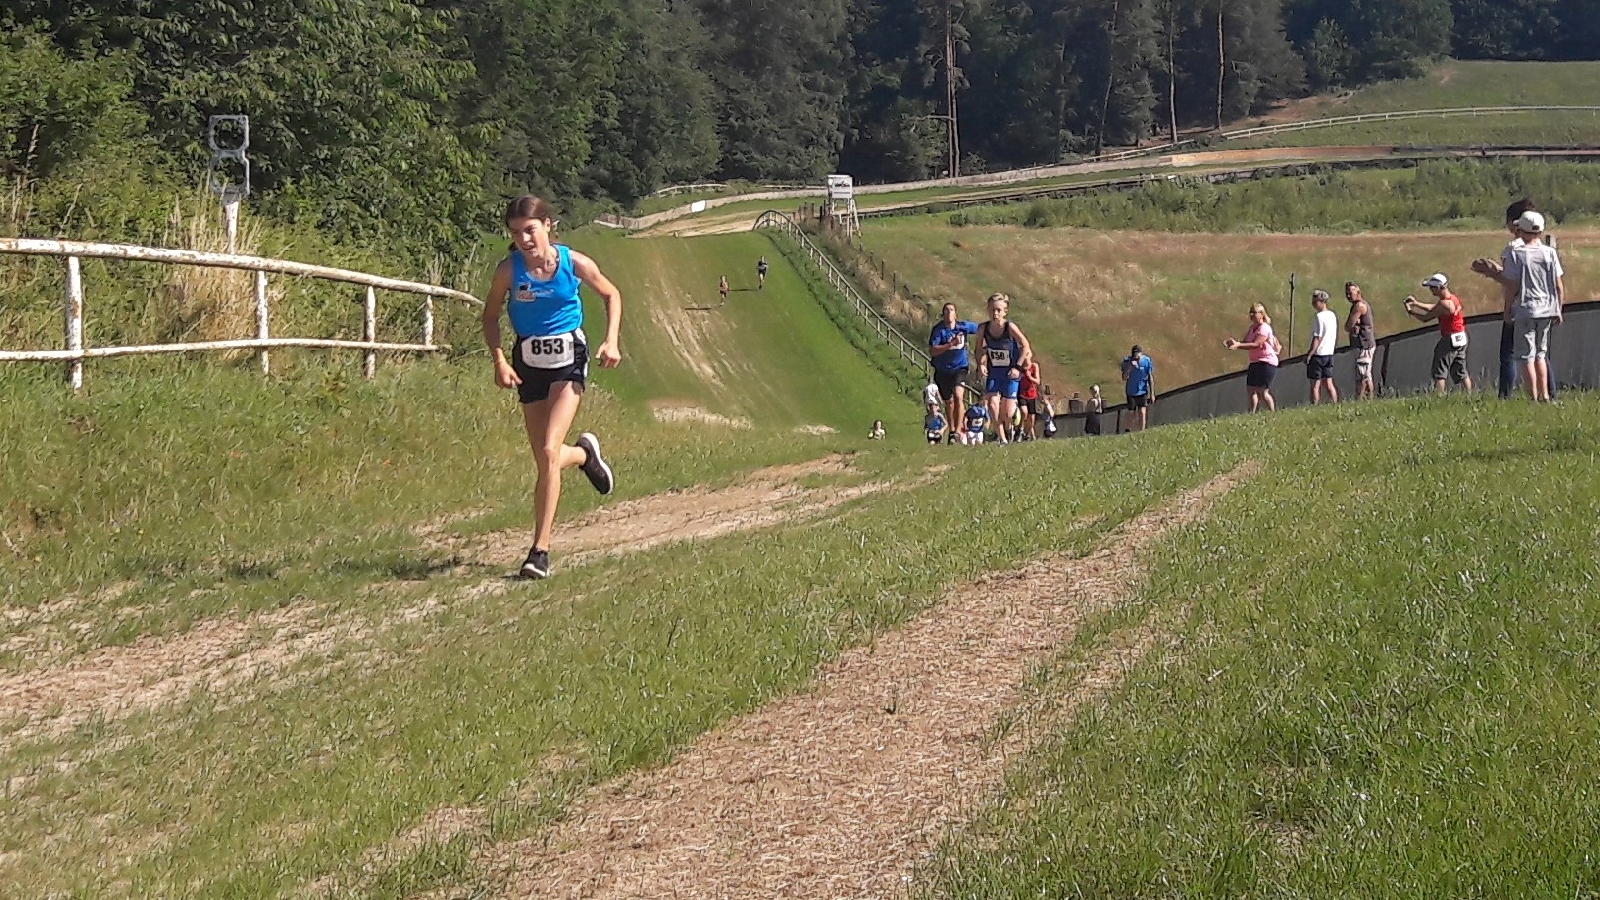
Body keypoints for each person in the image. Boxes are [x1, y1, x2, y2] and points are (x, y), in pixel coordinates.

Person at [483, 195, 621, 580]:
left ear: (548, 225)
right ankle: (582, 455)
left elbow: (612, 294)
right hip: (528, 363)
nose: (524, 239)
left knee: (547, 450)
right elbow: (491, 315)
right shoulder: (508, 271)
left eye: (530, 229)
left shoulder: (573, 263)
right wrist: (499, 360)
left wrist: (611, 340)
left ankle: (539, 552)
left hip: (569, 358)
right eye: (515, 232)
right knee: (546, 460)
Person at [1473, 199, 1559, 400]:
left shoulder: (1514, 248)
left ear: (1517, 223)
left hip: (1520, 306)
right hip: (1544, 306)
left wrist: (1490, 272)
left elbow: (1513, 282)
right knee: (1540, 354)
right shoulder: (1545, 249)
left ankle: (1509, 395)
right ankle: (1549, 393)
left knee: (1512, 355)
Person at [1498, 211, 1565, 401]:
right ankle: (1545, 395)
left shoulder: (1516, 254)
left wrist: (1507, 308)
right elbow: (1558, 285)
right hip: (1547, 308)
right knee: (1541, 354)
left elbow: (1512, 286)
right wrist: (1558, 309)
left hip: (1525, 308)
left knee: (1525, 355)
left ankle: (1533, 397)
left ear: (1522, 229)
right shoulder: (1550, 253)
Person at [976, 292, 1034, 445]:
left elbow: (1026, 345)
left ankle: (1011, 424)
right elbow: (978, 349)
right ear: (988, 310)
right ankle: (1002, 439)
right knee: (992, 405)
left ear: (1005, 311)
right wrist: (980, 364)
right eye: (992, 310)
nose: (995, 313)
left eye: (999, 310)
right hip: (994, 373)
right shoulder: (983, 329)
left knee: (1007, 413)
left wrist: (1018, 367)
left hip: (1010, 374)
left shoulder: (1010, 327)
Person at [1404, 273, 1472, 395]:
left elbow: (1426, 318)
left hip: (1449, 339)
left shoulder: (1444, 304)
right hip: (1461, 336)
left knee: (1440, 370)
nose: (1431, 290)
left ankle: (1439, 396)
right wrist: (1416, 303)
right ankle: (1470, 395)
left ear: (1440, 287)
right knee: (1461, 369)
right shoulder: (1453, 299)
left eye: (1432, 287)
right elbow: (1435, 308)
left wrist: (1411, 311)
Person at [928, 303, 980, 444]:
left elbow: (981, 329)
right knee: (949, 403)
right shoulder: (939, 331)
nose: (948, 313)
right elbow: (933, 350)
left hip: (960, 368)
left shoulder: (962, 327)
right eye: (945, 310)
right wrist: (950, 344)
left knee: (958, 397)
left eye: (951, 310)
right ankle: (951, 431)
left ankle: (957, 431)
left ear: (955, 314)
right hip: (942, 371)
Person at [1224, 303, 1279, 412]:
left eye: (1254, 313)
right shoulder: (1252, 328)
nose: (1252, 315)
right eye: (1251, 313)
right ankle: (1252, 413)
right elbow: (1246, 342)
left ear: (1261, 314)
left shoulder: (1265, 328)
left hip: (1267, 362)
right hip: (1255, 362)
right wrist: (1236, 343)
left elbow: (1256, 344)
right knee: (1251, 389)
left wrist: (1239, 345)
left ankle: (1273, 413)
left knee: (1262, 391)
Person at [1306, 290, 1340, 404]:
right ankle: (1335, 403)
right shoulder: (1332, 315)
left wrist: (1310, 354)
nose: (1313, 303)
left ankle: (1314, 404)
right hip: (1329, 353)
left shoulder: (1319, 317)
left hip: (1318, 354)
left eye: (1316, 301)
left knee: (1315, 384)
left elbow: (1317, 337)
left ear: (1322, 302)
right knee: (1328, 382)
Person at [1344, 281, 1375, 399]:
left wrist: (1352, 326)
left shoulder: (1359, 306)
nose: (1348, 296)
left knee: (1363, 375)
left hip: (1364, 344)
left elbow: (1348, 325)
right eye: (1346, 293)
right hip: (1362, 343)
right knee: (1365, 374)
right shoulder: (1357, 305)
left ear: (1358, 292)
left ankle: (1362, 398)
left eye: (1350, 293)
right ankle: (1366, 398)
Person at [1119, 344, 1154, 431]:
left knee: (1142, 411)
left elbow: (1150, 376)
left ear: (1141, 354)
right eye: (1134, 355)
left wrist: (1152, 393)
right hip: (1131, 391)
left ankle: (1141, 431)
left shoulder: (1146, 361)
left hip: (1142, 390)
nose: (1136, 357)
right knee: (1131, 412)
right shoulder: (1127, 362)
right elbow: (1124, 378)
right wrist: (1130, 367)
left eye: (1137, 355)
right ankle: (1127, 430)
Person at [1017, 358, 1042, 440]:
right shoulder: (1019, 367)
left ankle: (1027, 435)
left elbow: (1037, 381)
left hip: (1031, 394)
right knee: (1024, 412)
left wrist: (1029, 377)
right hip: (1021, 393)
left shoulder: (1034, 366)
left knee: (1031, 418)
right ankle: (1020, 429)